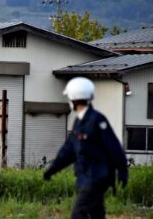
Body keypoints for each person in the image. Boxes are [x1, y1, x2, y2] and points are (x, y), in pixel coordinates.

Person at [43, 77, 128, 219]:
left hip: (96, 177)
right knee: (96, 214)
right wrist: (52, 169)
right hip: (84, 177)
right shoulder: (79, 122)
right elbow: (68, 151)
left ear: (73, 99)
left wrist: (122, 171)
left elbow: (114, 147)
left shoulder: (97, 120)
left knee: (78, 214)